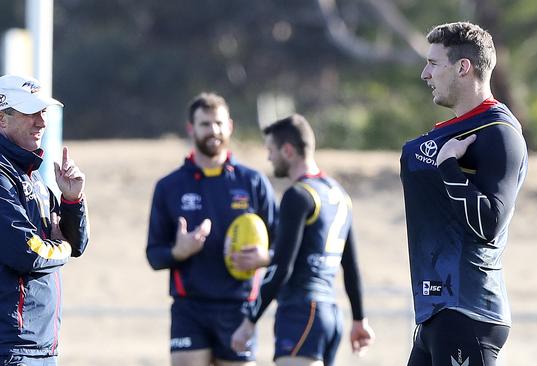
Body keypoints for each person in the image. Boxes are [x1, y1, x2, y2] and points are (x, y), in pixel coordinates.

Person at [400, 22, 528, 366]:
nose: (425, 74)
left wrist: (449, 170)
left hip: (469, 311)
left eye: (433, 63)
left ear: (463, 67)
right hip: (437, 313)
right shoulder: (457, 132)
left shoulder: (500, 133)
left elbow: (489, 225)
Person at [0, 74, 90, 366]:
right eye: (32, 113)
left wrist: (72, 200)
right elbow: (27, 252)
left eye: (43, 112)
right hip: (5, 345)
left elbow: (77, 244)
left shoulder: (29, 173)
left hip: (38, 345)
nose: (42, 122)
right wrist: (61, 247)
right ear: (1, 118)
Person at [231, 114, 375, 366]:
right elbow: (350, 267)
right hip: (330, 314)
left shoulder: (297, 195)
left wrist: (249, 322)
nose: (268, 158)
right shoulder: (339, 194)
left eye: (271, 150)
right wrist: (358, 319)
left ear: (288, 151)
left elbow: (282, 268)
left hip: (301, 312)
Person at [146, 92, 277, 366]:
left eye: (219, 123)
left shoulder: (253, 182)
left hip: (239, 308)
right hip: (189, 308)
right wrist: (179, 251)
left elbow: (283, 247)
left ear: (230, 126)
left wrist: (263, 258)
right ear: (191, 128)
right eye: (205, 124)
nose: (213, 131)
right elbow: (154, 256)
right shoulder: (169, 186)